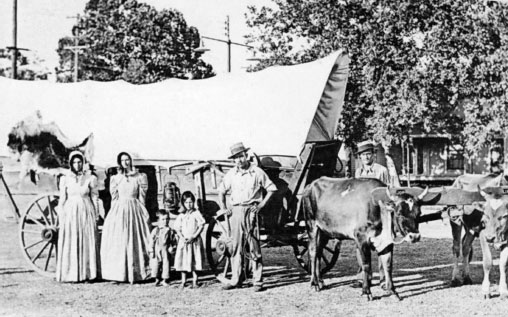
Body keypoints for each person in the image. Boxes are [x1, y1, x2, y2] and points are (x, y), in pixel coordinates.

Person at [218, 142, 277, 292]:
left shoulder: (257, 172)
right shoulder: (231, 174)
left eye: (240, 156)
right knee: (236, 247)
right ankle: (235, 279)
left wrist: (261, 205)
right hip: (236, 211)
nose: (239, 160)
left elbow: (271, 189)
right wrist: (224, 208)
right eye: (235, 158)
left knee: (253, 246)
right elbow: (222, 191)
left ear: (246, 156)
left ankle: (257, 281)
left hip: (251, 211)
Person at [100, 152, 151, 283]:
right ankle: (119, 273)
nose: (126, 162)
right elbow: (114, 198)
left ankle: (138, 272)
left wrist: (142, 211)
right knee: (119, 238)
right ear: (120, 162)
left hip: (134, 207)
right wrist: (113, 214)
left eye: (127, 159)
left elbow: (142, 197)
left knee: (136, 238)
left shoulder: (139, 176)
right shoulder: (116, 178)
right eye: (123, 160)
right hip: (120, 209)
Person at [56, 151, 100, 282]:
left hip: (86, 209)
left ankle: (87, 273)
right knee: (72, 239)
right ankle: (71, 273)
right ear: (70, 164)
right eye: (74, 162)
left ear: (83, 163)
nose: (77, 164)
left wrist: (96, 213)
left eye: (79, 162)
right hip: (71, 211)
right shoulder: (65, 179)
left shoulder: (90, 178)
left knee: (86, 239)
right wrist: (61, 214)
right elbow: (62, 198)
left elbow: (94, 196)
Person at [174, 191, 205, 289]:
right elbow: (177, 229)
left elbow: (201, 225)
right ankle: (183, 281)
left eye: (191, 202)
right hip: (184, 241)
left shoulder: (196, 213)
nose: (189, 205)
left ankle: (195, 280)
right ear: (183, 203)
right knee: (183, 261)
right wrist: (182, 238)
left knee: (194, 260)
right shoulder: (181, 215)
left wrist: (194, 236)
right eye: (186, 202)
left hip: (194, 241)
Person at [149, 210, 174, 286]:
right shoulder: (155, 230)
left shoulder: (170, 230)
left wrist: (172, 247)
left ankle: (165, 279)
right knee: (156, 264)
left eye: (167, 219)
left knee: (166, 264)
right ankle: (157, 279)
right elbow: (151, 240)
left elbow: (172, 240)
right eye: (163, 219)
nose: (165, 221)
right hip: (157, 249)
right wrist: (151, 249)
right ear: (158, 220)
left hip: (165, 249)